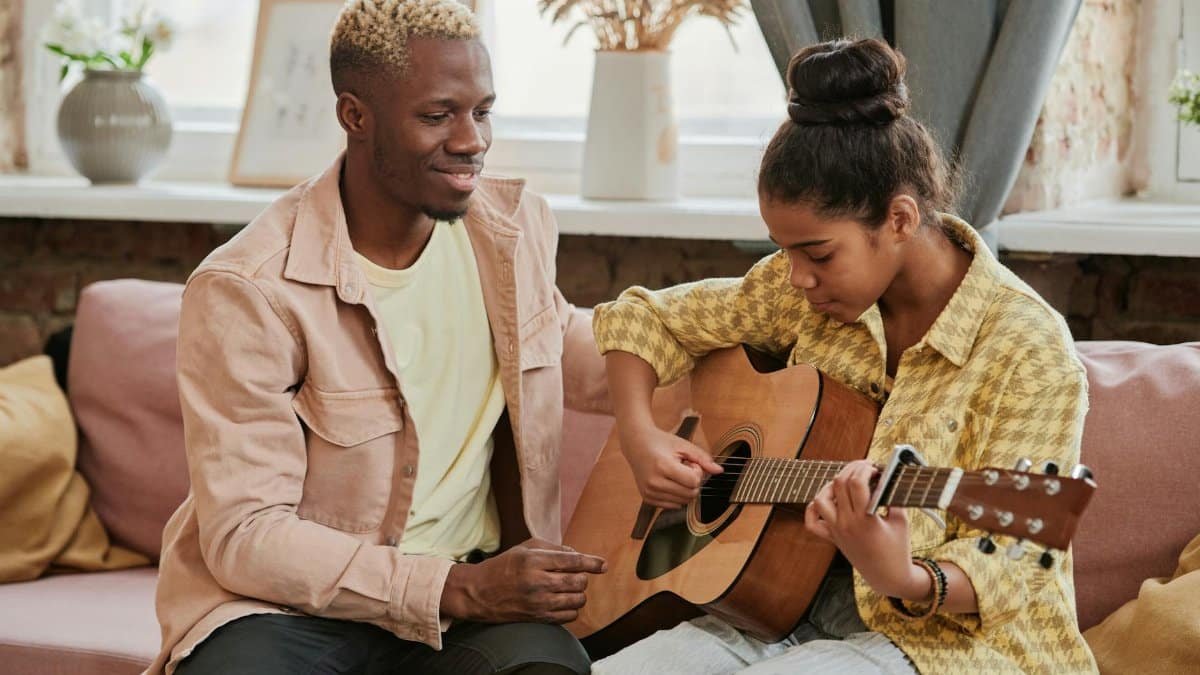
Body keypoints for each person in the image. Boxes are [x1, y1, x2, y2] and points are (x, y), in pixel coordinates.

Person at [590, 38, 1097, 674]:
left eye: (819, 254)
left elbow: (1020, 557)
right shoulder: (797, 292)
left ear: (901, 219)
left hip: (950, 647)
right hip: (779, 614)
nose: (796, 276)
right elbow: (641, 317)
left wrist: (907, 576)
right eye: (784, 250)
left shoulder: (1028, 347)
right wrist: (641, 437)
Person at [144, 1, 609, 673]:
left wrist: (748, 328)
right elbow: (247, 536)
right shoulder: (250, 288)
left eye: (482, 112)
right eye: (437, 115)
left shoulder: (512, 232)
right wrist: (456, 587)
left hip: (464, 609)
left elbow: (568, 345)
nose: (471, 139)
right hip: (288, 614)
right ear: (355, 116)